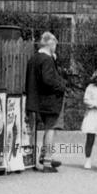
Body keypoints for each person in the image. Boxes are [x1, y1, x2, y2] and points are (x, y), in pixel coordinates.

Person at [25, 31, 66, 173]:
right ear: (51, 44)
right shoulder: (47, 60)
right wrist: (61, 86)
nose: (56, 48)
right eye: (55, 45)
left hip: (37, 99)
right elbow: (48, 80)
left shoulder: (34, 58)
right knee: (51, 129)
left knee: (47, 128)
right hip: (50, 99)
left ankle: (44, 156)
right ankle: (47, 160)